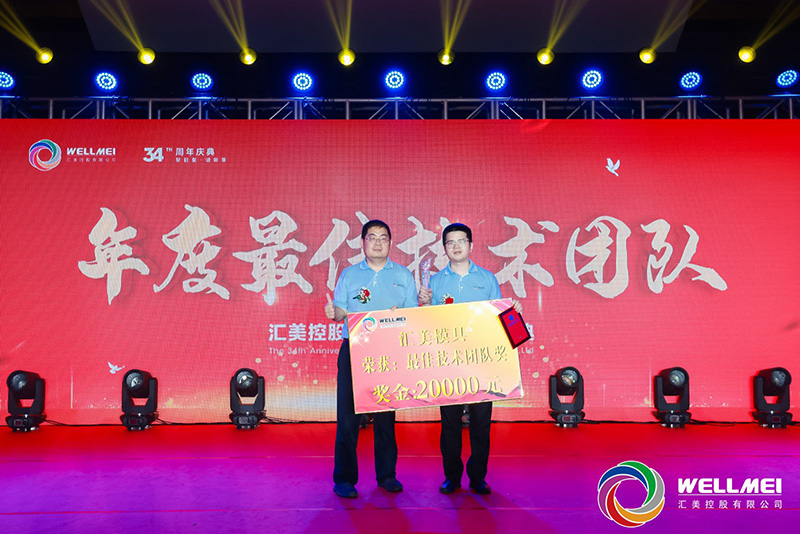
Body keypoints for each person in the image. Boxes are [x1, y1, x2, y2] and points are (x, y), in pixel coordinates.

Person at [418, 223, 522, 495]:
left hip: (482, 362)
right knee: (450, 424)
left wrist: (513, 311)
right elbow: (428, 323)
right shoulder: (435, 282)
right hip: (448, 363)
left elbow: (500, 318)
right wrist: (425, 305)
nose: (456, 246)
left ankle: (478, 477)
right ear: (444, 248)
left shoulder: (487, 279)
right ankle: (451, 477)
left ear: (471, 245)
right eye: (450, 242)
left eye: (461, 241)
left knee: (480, 424)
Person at [324, 219, 418, 498]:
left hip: (389, 351)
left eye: (383, 237)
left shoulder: (403, 275)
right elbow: (341, 310)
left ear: (391, 243)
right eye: (372, 237)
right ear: (362, 242)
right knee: (348, 417)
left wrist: (399, 317)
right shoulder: (350, 274)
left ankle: (387, 475)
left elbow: (413, 313)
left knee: (386, 417)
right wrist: (334, 313)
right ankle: (344, 478)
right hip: (354, 349)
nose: (378, 242)